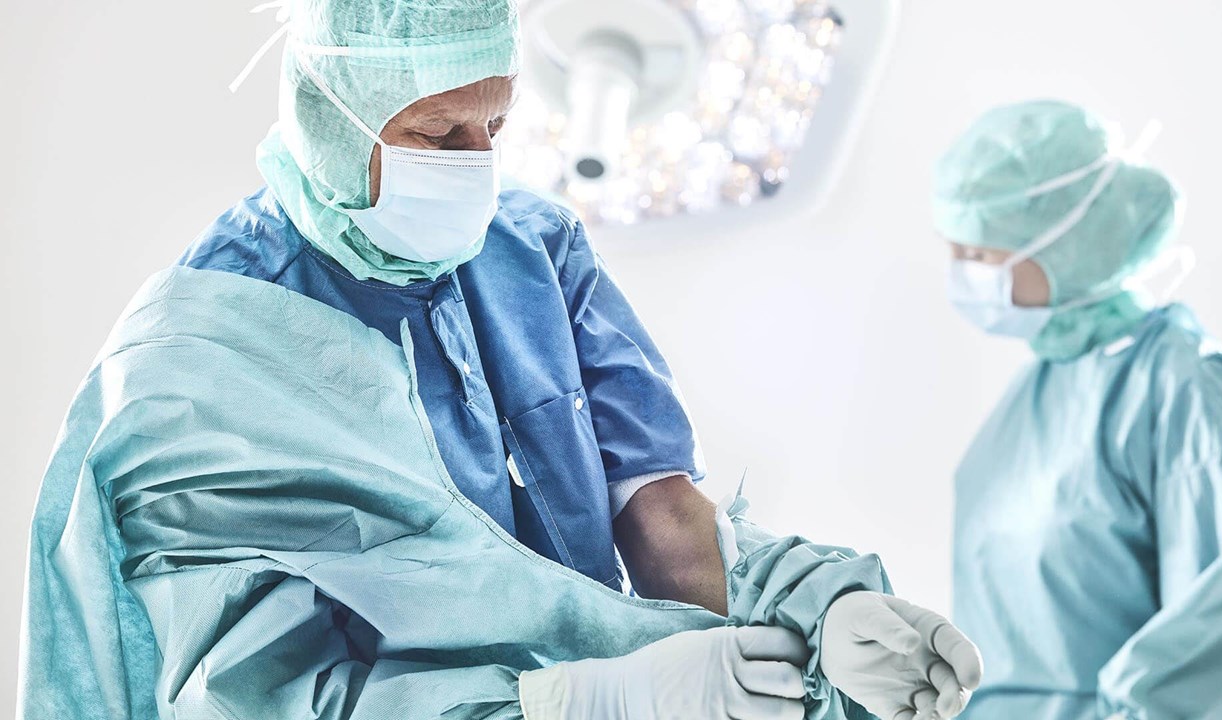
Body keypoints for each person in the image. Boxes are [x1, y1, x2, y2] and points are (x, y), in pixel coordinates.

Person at [18, 1, 982, 718]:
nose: (477, 164)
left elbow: (656, 507)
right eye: (440, 135)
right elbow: (254, 692)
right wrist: (574, 703)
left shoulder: (530, 245)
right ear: (330, 116)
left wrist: (822, 614)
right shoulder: (209, 348)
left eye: (499, 127)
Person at [935, 99, 1222, 719]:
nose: (962, 275)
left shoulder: (1186, 386)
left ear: (1069, 239)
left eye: (981, 255)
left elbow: (1215, 625)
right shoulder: (1033, 396)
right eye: (954, 249)